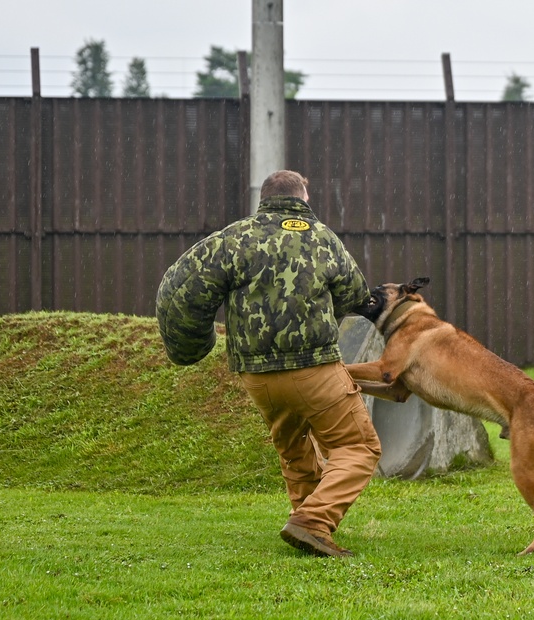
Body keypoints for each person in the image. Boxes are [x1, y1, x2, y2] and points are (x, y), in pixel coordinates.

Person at [155, 169, 381, 558]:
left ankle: (306, 520)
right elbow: (355, 294)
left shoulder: (233, 237)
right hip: (314, 367)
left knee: (295, 450)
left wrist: (194, 343)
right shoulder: (322, 237)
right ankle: (313, 521)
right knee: (357, 447)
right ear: (304, 198)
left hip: (257, 375)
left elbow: (180, 289)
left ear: (263, 200)